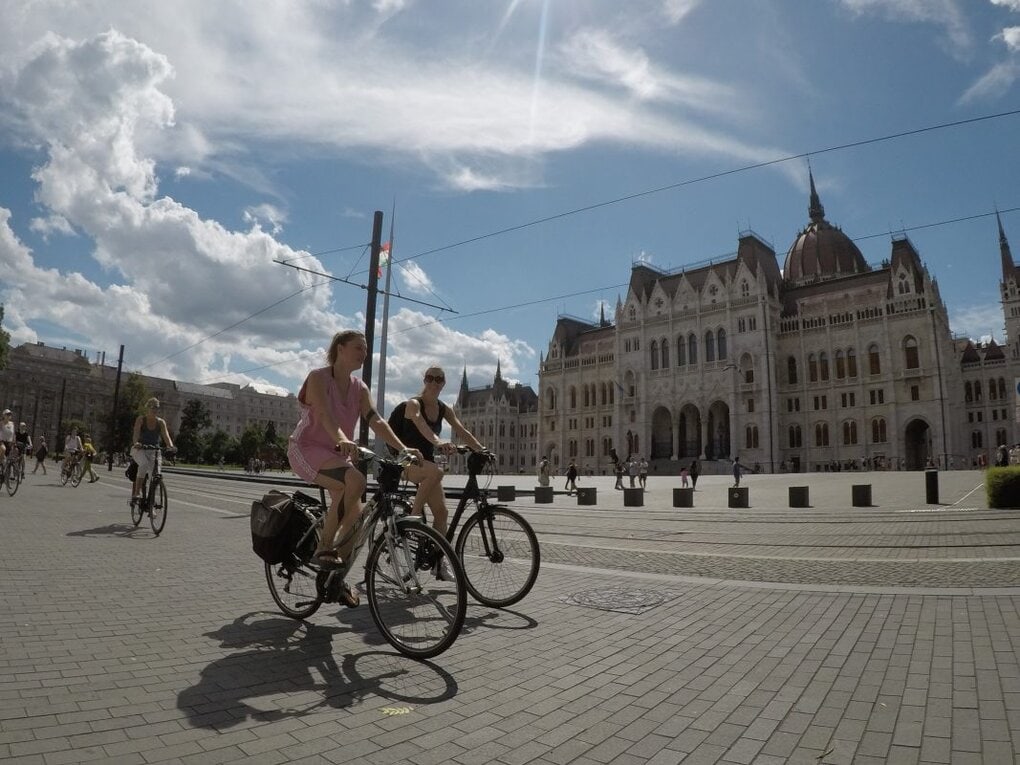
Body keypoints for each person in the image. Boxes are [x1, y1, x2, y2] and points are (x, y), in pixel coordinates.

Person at [288, 330, 419, 604]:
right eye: (359, 348)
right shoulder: (318, 377)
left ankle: (334, 580)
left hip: (338, 454)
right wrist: (343, 439)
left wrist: (401, 447)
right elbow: (323, 414)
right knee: (355, 481)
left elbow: (375, 419)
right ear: (340, 348)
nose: (364, 353)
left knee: (357, 522)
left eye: (366, 349)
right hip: (308, 448)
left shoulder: (360, 387)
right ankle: (324, 546)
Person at [390, 365, 486, 578]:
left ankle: (437, 562)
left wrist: (482, 449)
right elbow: (422, 425)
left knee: (442, 514)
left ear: (443, 383)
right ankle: (413, 519)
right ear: (424, 380)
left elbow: (462, 431)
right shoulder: (413, 404)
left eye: (439, 379)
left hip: (426, 463)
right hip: (403, 459)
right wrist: (439, 441)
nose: (434, 382)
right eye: (430, 378)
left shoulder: (443, 409)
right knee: (437, 472)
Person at [130, 399, 175, 506]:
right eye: (152, 407)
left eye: (157, 407)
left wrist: (171, 447)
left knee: (155, 476)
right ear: (147, 408)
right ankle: (137, 492)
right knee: (144, 465)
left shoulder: (160, 422)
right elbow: (136, 433)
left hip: (154, 450)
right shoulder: (141, 419)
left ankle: (151, 504)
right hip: (140, 449)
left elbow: (166, 436)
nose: (155, 409)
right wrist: (136, 443)